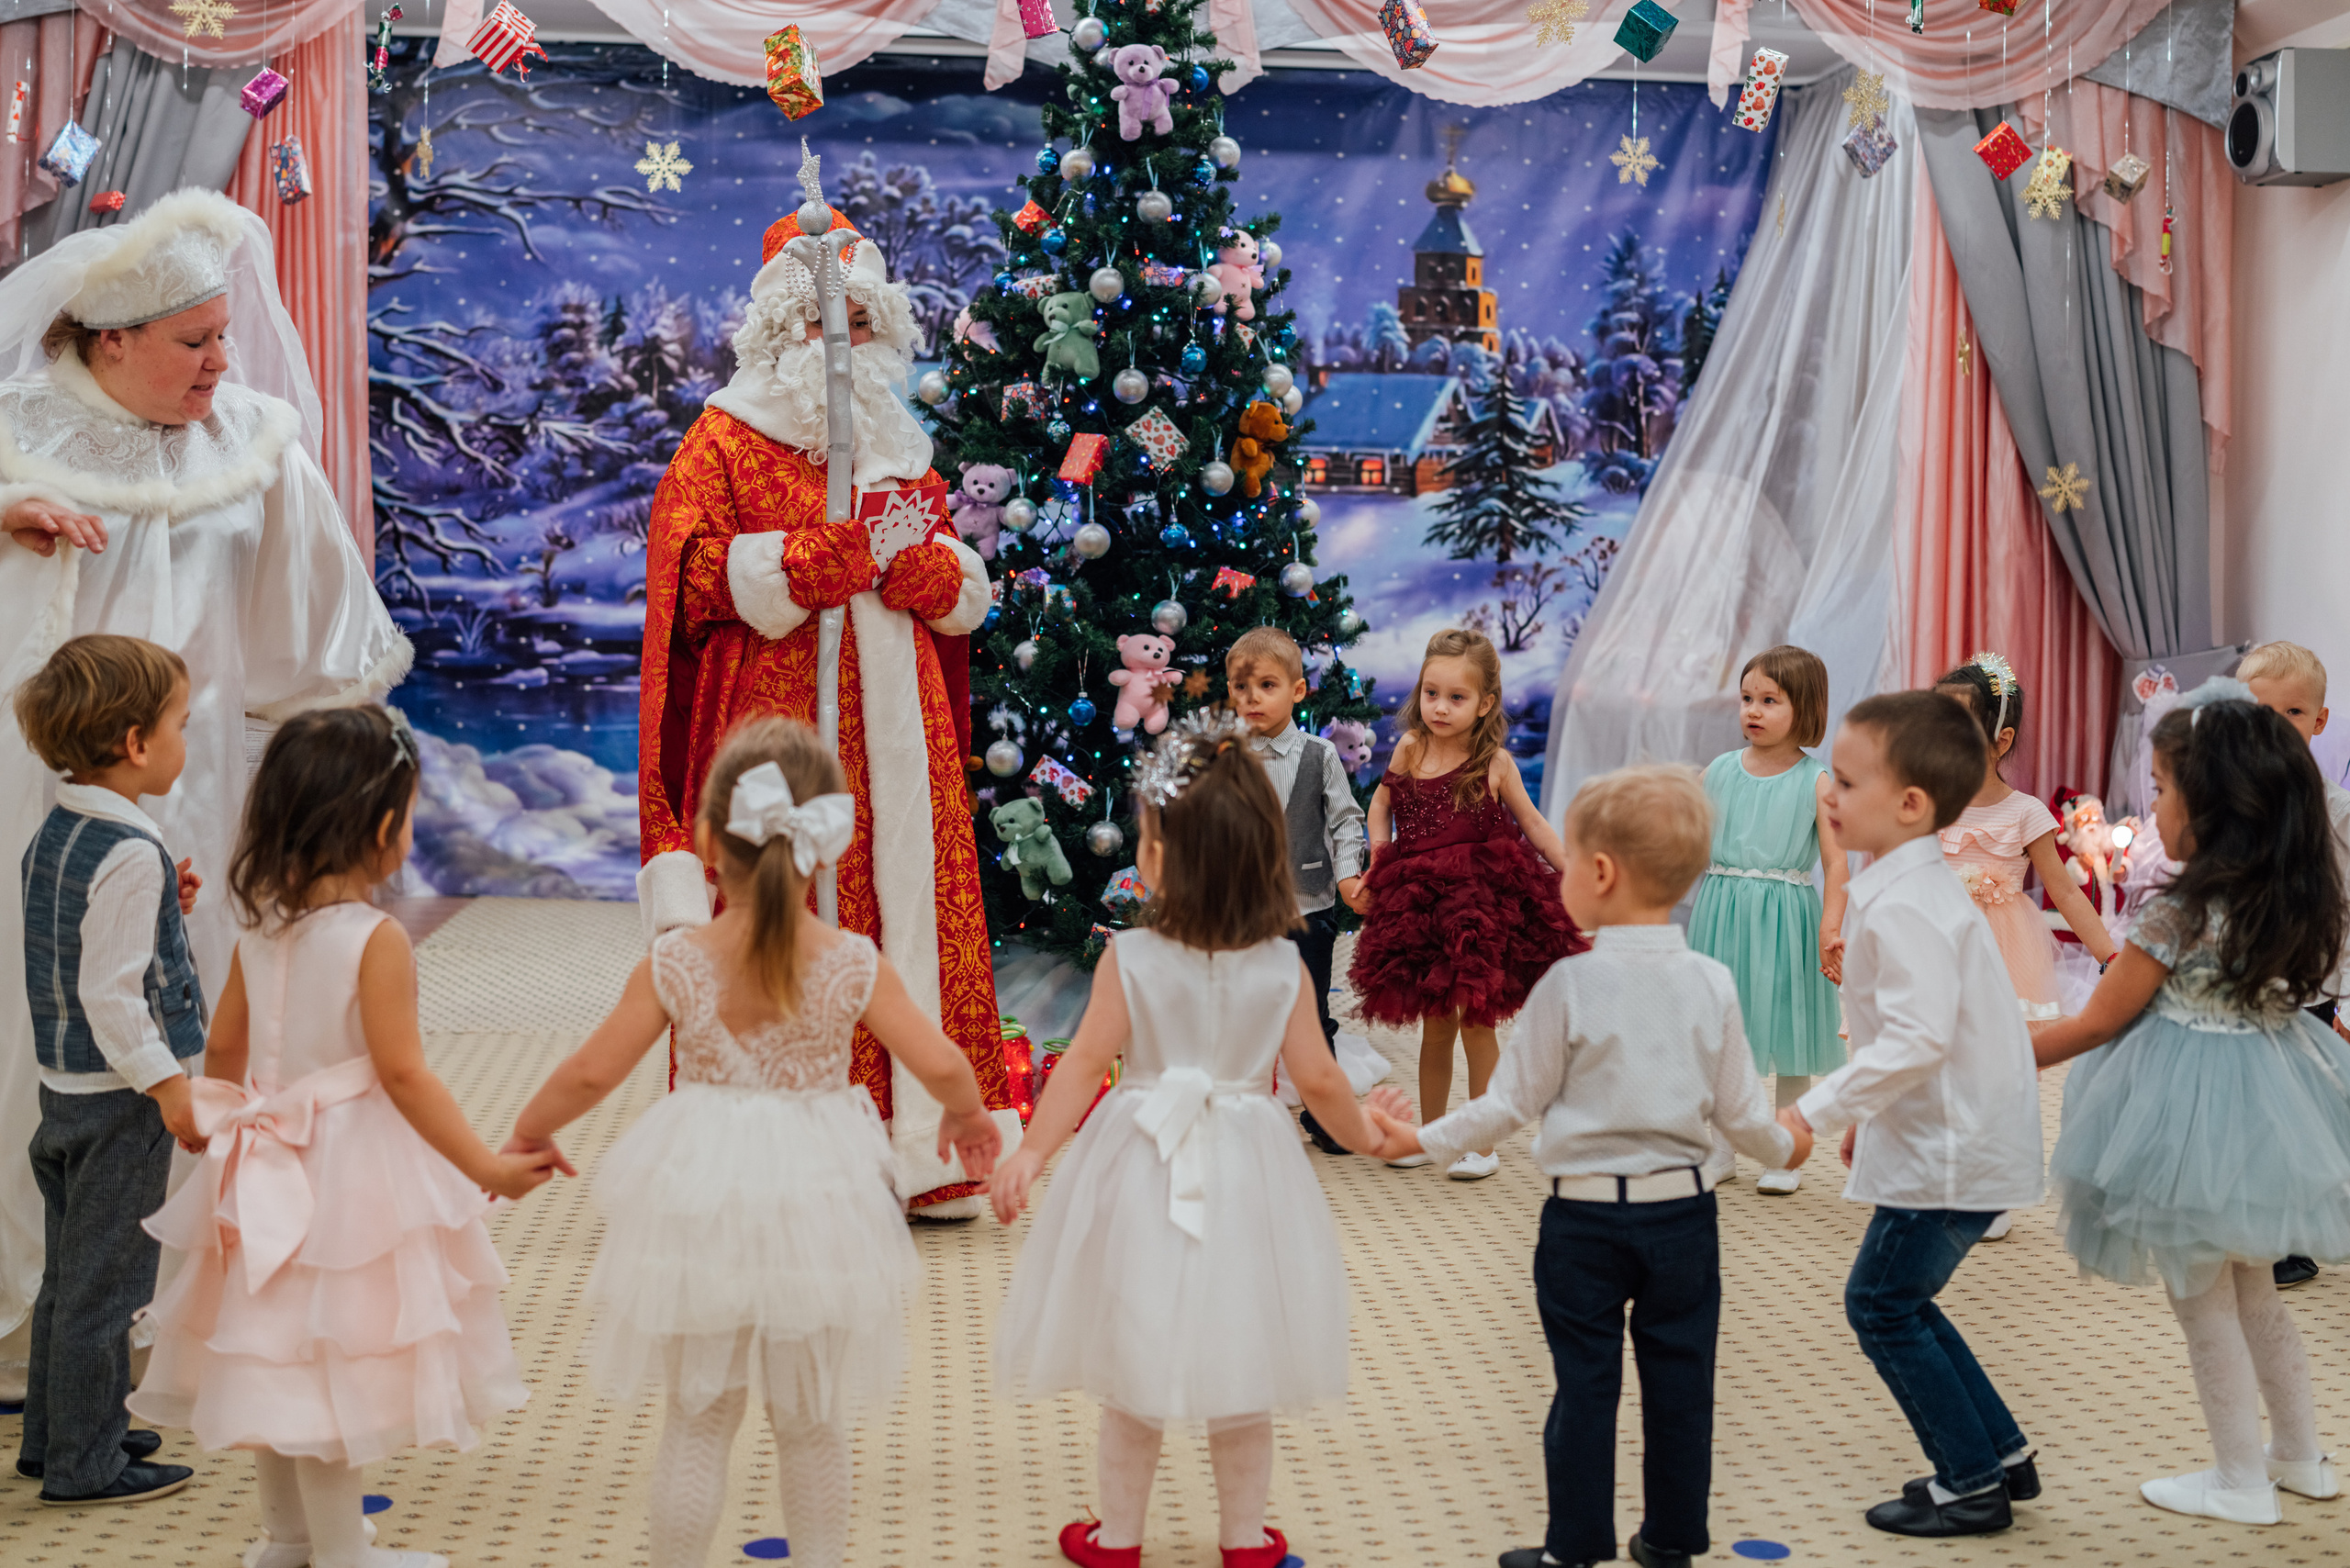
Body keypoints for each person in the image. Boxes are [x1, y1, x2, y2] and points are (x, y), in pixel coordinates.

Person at [0, 188, 408, 1394]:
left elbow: (310, 639)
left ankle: (159, 1314)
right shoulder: (14, 435)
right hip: (33, 791)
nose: (223, 362)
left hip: (204, 787)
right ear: (112, 338)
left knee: (191, 1031)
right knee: (44, 1029)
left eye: (227, 334)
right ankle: (34, 1319)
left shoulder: (257, 449)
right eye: (196, 341)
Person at [503, 716, 1002, 1568]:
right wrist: (967, 1116)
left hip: (702, 1191)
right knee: (812, 1422)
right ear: (826, 846)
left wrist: (527, 1132)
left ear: (704, 838)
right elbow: (942, 1061)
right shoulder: (850, 959)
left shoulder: (677, 961)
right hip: (820, 1195)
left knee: (699, 1418)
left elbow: (592, 1073)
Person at [637, 190, 1017, 1215]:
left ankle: (923, 1154)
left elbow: (950, 572)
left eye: (857, 319)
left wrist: (935, 582)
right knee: (787, 917)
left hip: (900, 734)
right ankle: (780, 1152)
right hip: (779, 735)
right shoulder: (723, 441)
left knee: (905, 919)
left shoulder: (901, 442)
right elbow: (687, 579)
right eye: (819, 319)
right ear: (777, 328)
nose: (839, 339)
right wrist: (803, 563)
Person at [129, 707, 557, 1568]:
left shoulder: (261, 925)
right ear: (380, 827)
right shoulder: (377, 938)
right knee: (333, 1366)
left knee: (272, 1351)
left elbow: (225, 1044)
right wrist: (487, 1168)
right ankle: (343, 1555)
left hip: (259, 1157)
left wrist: (218, 1125)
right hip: (345, 1170)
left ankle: (287, 1540)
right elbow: (404, 1074)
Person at [989, 711, 1401, 1568]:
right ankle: (1246, 1541)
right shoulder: (1283, 965)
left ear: (1158, 858)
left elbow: (1083, 1069)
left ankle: (1118, 1538)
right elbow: (1320, 1083)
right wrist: (1373, 1137)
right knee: (1243, 1352)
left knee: (1134, 1353)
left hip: (1145, 1160)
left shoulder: (1129, 959)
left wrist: (1032, 1152)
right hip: (1250, 1168)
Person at [1369, 765, 1807, 1568]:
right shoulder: (1712, 982)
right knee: (1682, 1386)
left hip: (1582, 1224)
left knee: (1585, 1384)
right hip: (1684, 1220)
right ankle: (1672, 1540)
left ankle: (1574, 1547)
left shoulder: (1568, 985)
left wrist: (1414, 1141)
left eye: (1567, 860)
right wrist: (1789, 1147)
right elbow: (1743, 1116)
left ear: (1600, 874)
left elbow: (1506, 1105)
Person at [2030, 683, 2350, 1528]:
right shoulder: (2290, 895)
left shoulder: (2181, 909)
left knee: (2202, 1299)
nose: (2154, 804)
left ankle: (2239, 1480)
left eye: (2164, 788)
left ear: (2210, 805)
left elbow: (2100, 1020)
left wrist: (1987, 1055)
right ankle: (2300, 1457)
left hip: (2184, 1115)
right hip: (2272, 1102)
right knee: (2257, 1295)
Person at [1775, 691, 2045, 1539]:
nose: (1827, 792)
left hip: (1952, 1148)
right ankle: (2000, 1454)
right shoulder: (1902, 884)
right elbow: (1912, 1033)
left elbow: (1920, 1038)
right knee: (1906, 1298)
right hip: (1950, 1135)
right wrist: (1871, 1109)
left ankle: (1970, 1483)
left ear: (1910, 805)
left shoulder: (1907, 902)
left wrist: (1813, 1112)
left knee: (1881, 1304)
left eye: (1846, 781)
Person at [11, 635, 205, 1505]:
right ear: (134, 743)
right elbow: (115, 996)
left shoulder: (61, 829)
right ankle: (88, 1466)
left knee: (69, 1276)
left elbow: (78, 938)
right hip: (119, 1102)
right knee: (107, 1288)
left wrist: (166, 898)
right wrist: (168, 1084)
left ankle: (58, 1437)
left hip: (64, 1091)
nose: (184, 743)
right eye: (180, 726)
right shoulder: (129, 853)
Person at [1348, 628, 1581, 1181]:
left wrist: (1572, 870)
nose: (1440, 707)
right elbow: (1379, 807)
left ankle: (1480, 1138)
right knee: (1435, 1027)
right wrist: (1379, 857)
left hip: (1482, 904)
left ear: (1486, 704)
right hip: (1421, 904)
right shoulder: (1409, 748)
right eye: (1432, 693)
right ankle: (1430, 1135)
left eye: (1457, 697)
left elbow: (1534, 824)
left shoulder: (1495, 762)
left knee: (1478, 1023)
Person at [1686, 645, 1847, 1194]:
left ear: (1804, 710)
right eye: (1747, 699)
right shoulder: (1720, 771)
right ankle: (1719, 1149)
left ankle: (1785, 1151)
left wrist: (1831, 926)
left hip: (1787, 917)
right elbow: (1687, 841)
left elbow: (1837, 862)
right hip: (1722, 910)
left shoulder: (1817, 781)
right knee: (1723, 1033)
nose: (1753, 710)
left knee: (1789, 1031)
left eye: (1770, 701)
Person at [1225, 626, 1369, 1155]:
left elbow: (1345, 820)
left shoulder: (1320, 755)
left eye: (1267, 685)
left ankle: (1328, 1115)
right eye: (1241, 688)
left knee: (1310, 1014)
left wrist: (1350, 873)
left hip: (1308, 907)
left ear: (1298, 690)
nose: (1253, 698)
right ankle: (1242, 1117)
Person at [2239, 639, 2350, 1289]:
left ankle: (2293, 1233)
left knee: (2300, 1104)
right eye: (2261, 711)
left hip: (2310, 979)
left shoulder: (2333, 811)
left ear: (2318, 721)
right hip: (2244, 974)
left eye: (2293, 712)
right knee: (2251, 1100)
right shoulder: (2228, 802)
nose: (2277, 726)